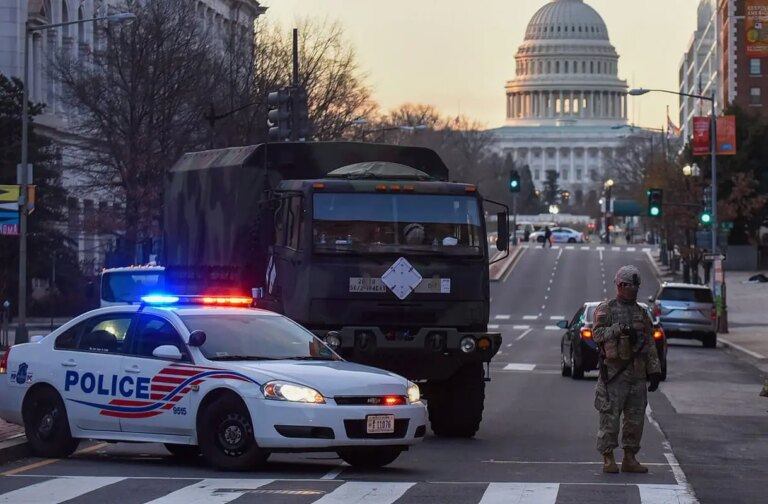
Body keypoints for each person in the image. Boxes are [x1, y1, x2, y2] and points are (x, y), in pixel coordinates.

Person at [592, 265, 662, 474]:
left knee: (635, 419)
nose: (634, 290)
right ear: (620, 285)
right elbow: (597, 334)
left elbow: (649, 343)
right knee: (610, 419)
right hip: (614, 375)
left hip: (637, 375)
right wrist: (619, 329)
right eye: (631, 286)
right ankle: (608, 457)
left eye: (636, 286)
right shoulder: (607, 309)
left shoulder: (641, 312)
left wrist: (655, 370)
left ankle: (630, 458)